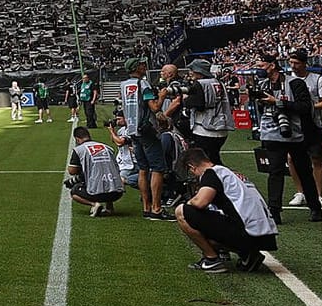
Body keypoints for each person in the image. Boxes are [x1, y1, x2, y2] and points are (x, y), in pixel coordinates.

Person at [174, 145, 278, 273]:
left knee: (182, 211)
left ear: (192, 167)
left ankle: (212, 260)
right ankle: (249, 255)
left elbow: (201, 202)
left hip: (248, 233)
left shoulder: (211, 173)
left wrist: (190, 201)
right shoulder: (228, 173)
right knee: (210, 217)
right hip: (265, 236)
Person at [253, 52, 322, 222]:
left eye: (261, 66)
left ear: (272, 65)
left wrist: (277, 102)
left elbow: (305, 106)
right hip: (271, 132)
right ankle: (274, 211)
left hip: (295, 134)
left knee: (304, 171)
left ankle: (315, 208)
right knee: (275, 171)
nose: (259, 70)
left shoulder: (295, 83)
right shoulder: (262, 84)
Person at [119, 60, 171, 220]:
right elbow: (154, 107)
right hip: (146, 130)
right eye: (141, 65)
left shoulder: (124, 84)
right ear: (136, 68)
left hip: (132, 130)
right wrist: (162, 96)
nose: (144, 66)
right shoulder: (143, 84)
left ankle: (146, 207)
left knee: (142, 168)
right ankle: (156, 209)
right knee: (157, 168)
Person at [286, 49, 322, 205]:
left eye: (296, 63)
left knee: (317, 158)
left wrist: (310, 107)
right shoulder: (286, 80)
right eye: (291, 63)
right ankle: (300, 192)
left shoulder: (317, 80)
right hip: (294, 125)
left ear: (304, 63)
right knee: (292, 158)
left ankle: (318, 194)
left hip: (314, 124)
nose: (293, 66)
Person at [67, 126, 125, 216]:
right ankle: (110, 208)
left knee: (74, 191)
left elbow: (72, 171)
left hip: (96, 193)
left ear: (77, 139)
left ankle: (94, 204)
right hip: (117, 192)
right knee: (107, 175)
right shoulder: (107, 148)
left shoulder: (79, 149)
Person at [184, 60, 231, 162]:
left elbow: (198, 105)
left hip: (205, 129)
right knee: (214, 159)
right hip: (221, 127)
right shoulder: (219, 82)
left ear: (198, 71)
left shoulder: (200, 84)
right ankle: (221, 177)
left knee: (204, 162)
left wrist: (185, 99)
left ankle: (215, 177)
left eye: (192, 70)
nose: (190, 72)